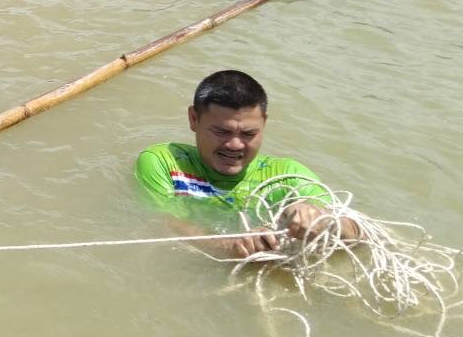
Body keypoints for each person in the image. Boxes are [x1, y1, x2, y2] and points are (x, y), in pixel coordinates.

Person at [134, 69, 360, 259]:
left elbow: (357, 231)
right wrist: (231, 246)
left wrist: (319, 219)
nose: (235, 145)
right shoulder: (164, 161)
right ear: (194, 119)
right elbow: (165, 222)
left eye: (249, 133)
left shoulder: (287, 175)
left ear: (264, 124)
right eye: (221, 131)